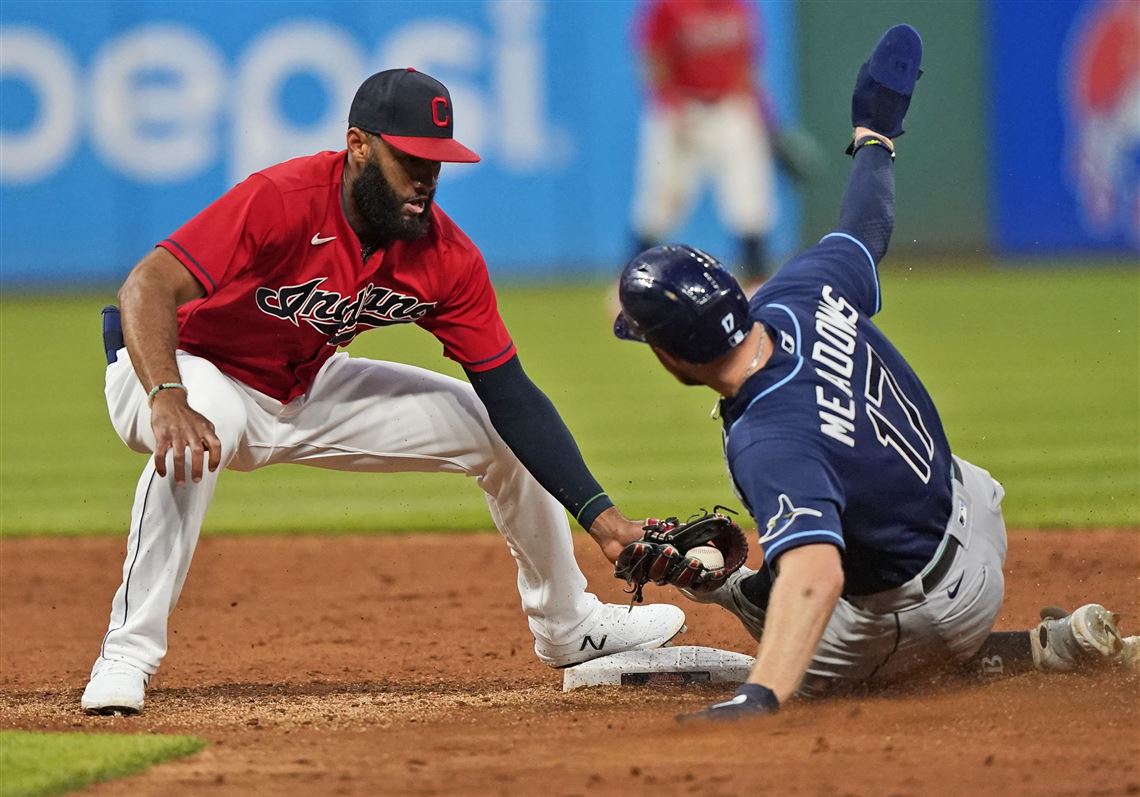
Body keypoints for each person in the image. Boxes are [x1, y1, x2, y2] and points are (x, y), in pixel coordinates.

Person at [81, 67, 685, 716]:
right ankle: (127, 653)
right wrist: (167, 392)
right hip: (189, 366)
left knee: (495, 429)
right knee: (197, 439)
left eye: (437, 165)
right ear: (359, 146)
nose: (425, 181)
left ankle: (570, 625)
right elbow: (146, 285)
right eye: (411, 160)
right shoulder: (283, 197)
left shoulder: (443, 255)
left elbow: (510, 391)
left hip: (302, 385)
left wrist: (604, 519)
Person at [611, 25, 1136, 721]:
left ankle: (1011, 650)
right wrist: (874, 133)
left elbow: (817, 571)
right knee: (797, 545)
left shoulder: (768, 436)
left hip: (932, 606)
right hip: (974, 507)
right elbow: (866, 222)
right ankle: (1000, 635)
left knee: (794, 632)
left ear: (673, 353)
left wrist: (759, 693)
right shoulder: (798, 293)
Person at [630, 0, 779, 282]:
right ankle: (630, 283)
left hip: (731, 107)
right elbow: (653, 58)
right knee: (660, 203)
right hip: (683, 108)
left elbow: (747, 64)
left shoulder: (738, 7)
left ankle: (758, 285)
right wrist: (669, 104)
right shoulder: (669, 6)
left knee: (750, 202)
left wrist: (767, 119)